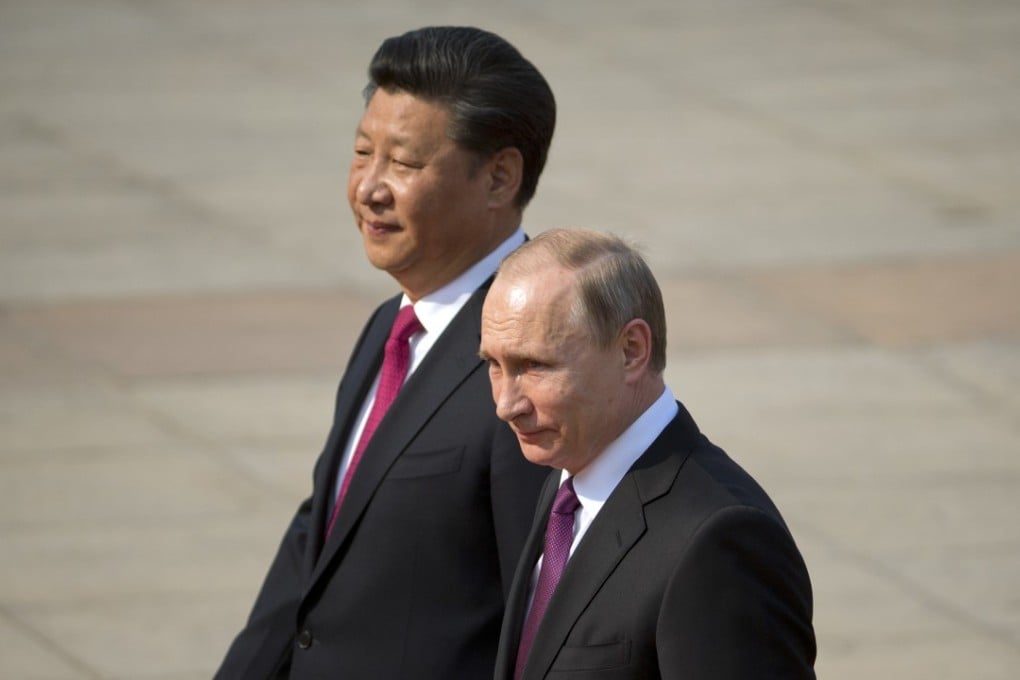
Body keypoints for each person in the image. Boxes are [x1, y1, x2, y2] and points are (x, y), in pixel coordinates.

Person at [216, 26, 555, 679]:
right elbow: (321, 537)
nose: (370, 187)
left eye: (403, 164)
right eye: (362, 152)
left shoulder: (533, 363)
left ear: (499, 177)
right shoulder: (388, 326)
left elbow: (542, 611)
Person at [479, 229, 817, 679]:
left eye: (536, 366)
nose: (506, 404)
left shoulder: (719, 540)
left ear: (631, 351)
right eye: (494, 366)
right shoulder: (566, 487)